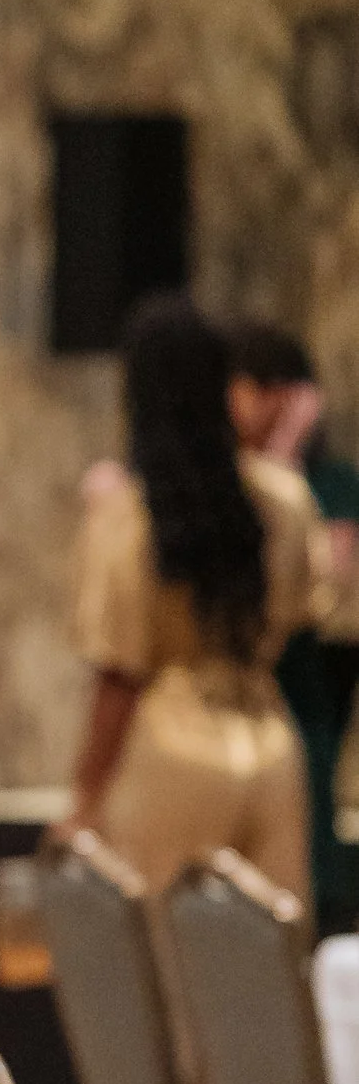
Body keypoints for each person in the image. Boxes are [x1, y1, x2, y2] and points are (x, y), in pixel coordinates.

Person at [68, 294, 329, 904]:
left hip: (168, 752)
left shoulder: (130, 517)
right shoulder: (282, 501)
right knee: (265, 967)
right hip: (271, 747)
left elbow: (119, 673)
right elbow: (304, 610)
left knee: (158, 963)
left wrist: (84, 797)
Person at [233, 318, 359, 927]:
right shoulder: (223, 485)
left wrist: (282, 454)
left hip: (306, 696)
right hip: (236, 701)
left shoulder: (332, 486)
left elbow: (324, 589)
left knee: (303, 864)